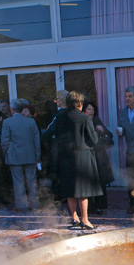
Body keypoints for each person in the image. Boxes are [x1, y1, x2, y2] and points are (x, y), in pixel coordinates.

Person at [55, 91, 102, 229]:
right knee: (83, 190)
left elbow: (56, 136)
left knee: (70, 188)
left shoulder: (60, 117)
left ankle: (74, 217)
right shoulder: (85, 118)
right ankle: (85, 220)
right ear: (79, 103)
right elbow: (93, 140)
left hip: (65, 155)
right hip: (82, 156)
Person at [1, 98, 41, 212]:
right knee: (31, 181)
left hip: (14, 156)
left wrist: (7, 152)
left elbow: (4, 141)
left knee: (18, 182)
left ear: (12, 109)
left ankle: (22, 206)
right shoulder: (31, 121)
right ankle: (34, 204)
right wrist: (37, 156)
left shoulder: (7, 122)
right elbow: (36, 140)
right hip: (30, 155)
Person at [83, 99, 114, 214]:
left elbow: (109, 135)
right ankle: (89, 206)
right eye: (89, 109)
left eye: (93, 109)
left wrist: (101, 130)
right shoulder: (82, 122)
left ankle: (100, 206)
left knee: (101, 181)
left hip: (99, 155)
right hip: (87, 155)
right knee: (89, 181)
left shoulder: (97, 121)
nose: (91, 111)